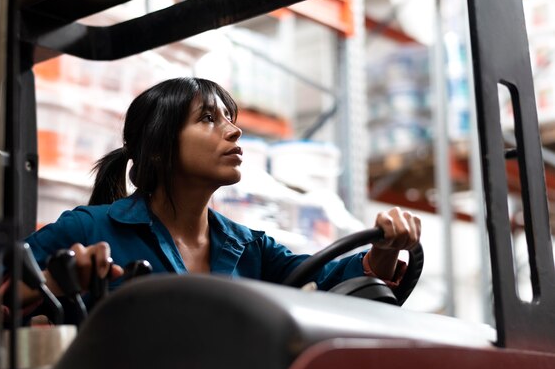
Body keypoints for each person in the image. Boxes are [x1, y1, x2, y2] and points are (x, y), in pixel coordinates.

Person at [23, 77, 421, 305]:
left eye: (230, 119)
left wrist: (383, 252)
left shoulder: (250, 249)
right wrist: (56, 283)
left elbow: (338, 286)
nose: (234, 130)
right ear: (159, 148)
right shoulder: (89, 230)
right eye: (209, 118)